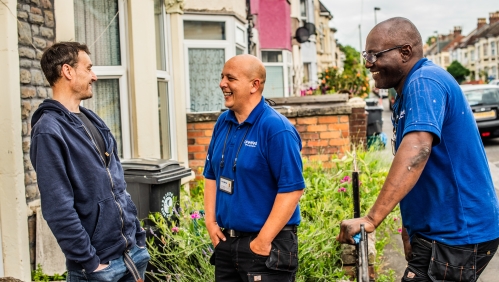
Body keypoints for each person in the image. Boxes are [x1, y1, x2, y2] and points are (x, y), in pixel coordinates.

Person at [337, 17, 499, 282]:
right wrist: (410, 230)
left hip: (456, 234)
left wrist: (371, 218)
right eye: (367, 55)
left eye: (375, 55)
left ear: (405, 52)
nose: (368, 63)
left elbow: (417, 152)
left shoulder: (424, 81)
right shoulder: (409, 90)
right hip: (443, 234)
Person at [30, 42, 149, 281]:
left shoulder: (91, 119)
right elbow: (58, 208)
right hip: (99, 267)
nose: (94, 76)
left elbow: (118, 185)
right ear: (68, 71)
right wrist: (90, 263)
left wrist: (137, 238)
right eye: (88, 68)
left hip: (130, 255)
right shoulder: (49, 131)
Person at [203, 54, 305, 281]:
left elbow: (292, 189)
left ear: (254, 85)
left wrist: (263, 240)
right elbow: (211, 175)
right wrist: (210, 222)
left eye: (230, 78)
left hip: (266, 248)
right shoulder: (223, 122)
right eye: (222, 77)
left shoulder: (276, 129)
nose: (222, 84)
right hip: (226, 245)